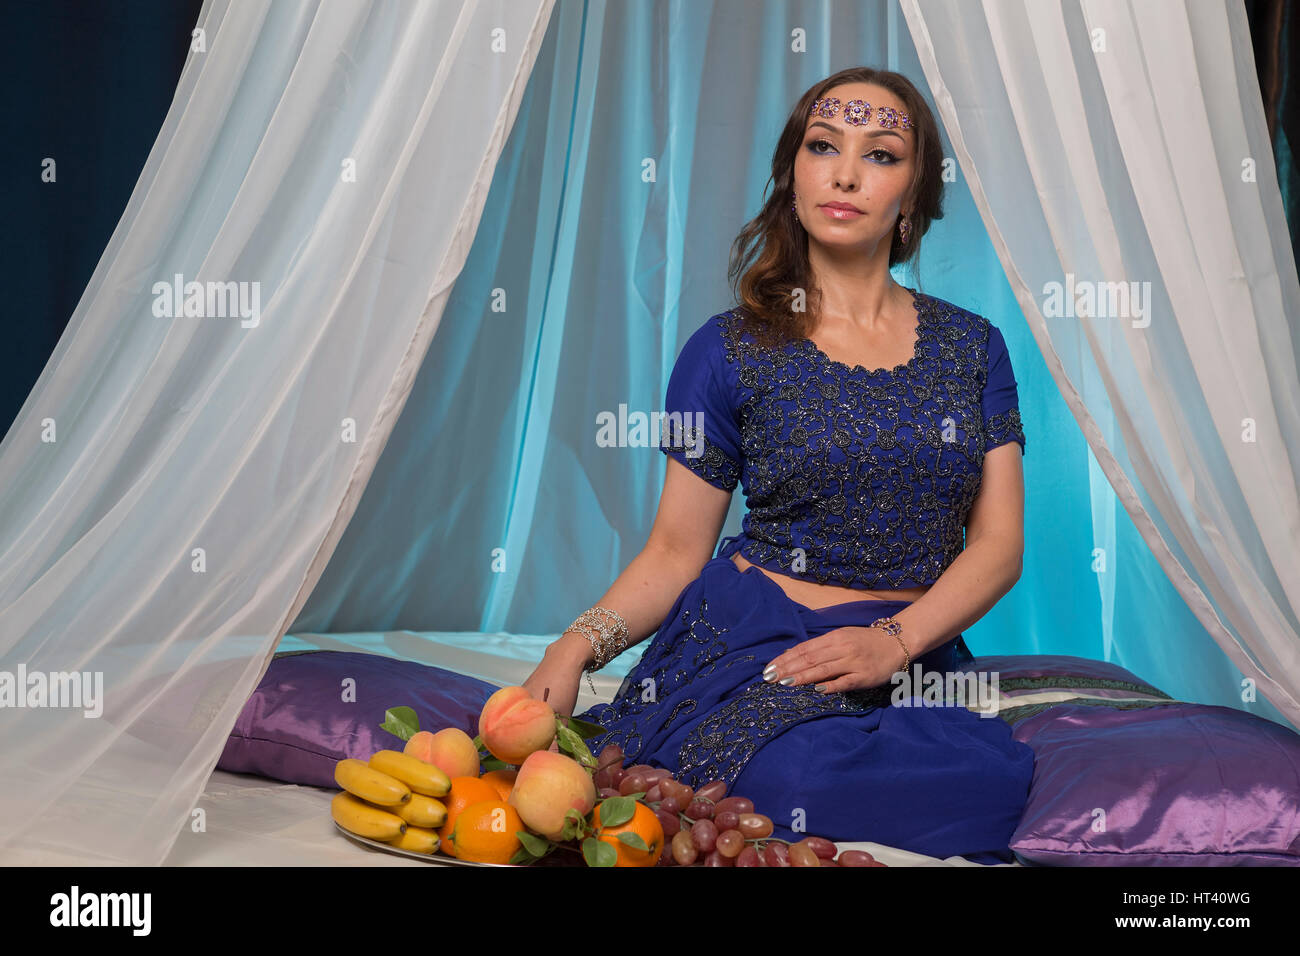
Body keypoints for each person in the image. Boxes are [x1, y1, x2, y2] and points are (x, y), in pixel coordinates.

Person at [522, 66, 1035, 865]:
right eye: (823, 145)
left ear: (914, 193)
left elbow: (999, 547)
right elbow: (673, 552)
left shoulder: (974, 347)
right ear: (792, 172)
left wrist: (892, 643)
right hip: (762, 643)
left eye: (881, 154)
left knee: (987, 787)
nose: (845, 172)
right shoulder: (726, 350)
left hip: (915, 652)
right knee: (788, 778)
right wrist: (573, 646)